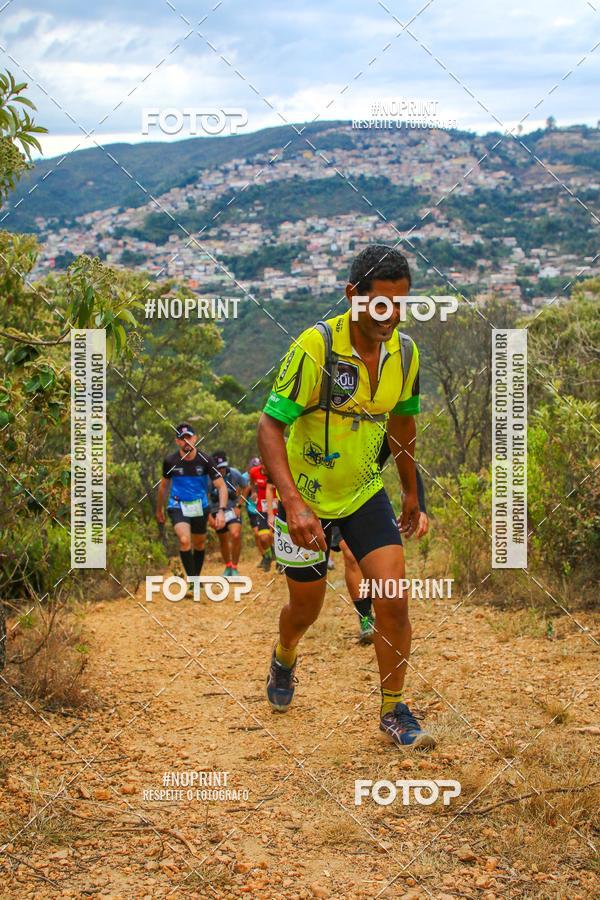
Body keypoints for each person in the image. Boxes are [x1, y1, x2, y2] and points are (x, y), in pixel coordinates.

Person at [257, 244, 436, 750]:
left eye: (399, 305)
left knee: (393, 598)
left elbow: (402, 426)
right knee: (304, 611)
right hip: (305, 499)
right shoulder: (316, 347)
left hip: (362, 492)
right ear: (353, 295)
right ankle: (285, 653)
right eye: (380, 304)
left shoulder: (406, 354)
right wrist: (293, 503)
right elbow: (269, 427)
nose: (390, 316)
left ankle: (393, 709)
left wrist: (412, 493)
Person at [332, 443, 429, 643]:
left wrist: (420, 507)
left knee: (383, 565)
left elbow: (405, 459)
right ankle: (365, 617)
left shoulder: (382, 426)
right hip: (324, 496)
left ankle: (379, 618)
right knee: (349, 554)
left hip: (366, 497)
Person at [156, 423, 228, 585]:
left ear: (195, 438)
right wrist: (159, 509)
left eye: (188, 437)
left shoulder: (206, 460)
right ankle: (193, 581)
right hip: (178, 505)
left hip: (200, 506)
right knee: (184, 540)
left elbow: (221, 486)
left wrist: (221, 511)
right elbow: (163, 486)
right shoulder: (170, 461)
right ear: (177, 441)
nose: (186, 441)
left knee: (199, 544)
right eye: (182, 439)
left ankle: (195, 577)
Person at [208, 450, 246, 577]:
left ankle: (235, 567)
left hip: (232, 509)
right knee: (223, 539)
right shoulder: (209, 477)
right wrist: (209, 516)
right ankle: (228, 566)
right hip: (216, 511)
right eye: (219, 468)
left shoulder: (234, 473)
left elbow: (246, 486)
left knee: (235, 534)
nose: (222, 470)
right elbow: (203, 495)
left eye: (223, 467)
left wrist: (239, 505)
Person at [245, 458, 276, 572]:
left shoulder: (275, 472)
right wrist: (254, 492)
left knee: (277, 536)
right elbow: (252, 483)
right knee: (262, 537)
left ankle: (280, 562)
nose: (264, 467)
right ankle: (268, 555)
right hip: (262, 509)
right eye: (262, 464)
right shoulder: (254, 472)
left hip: (277, 509)